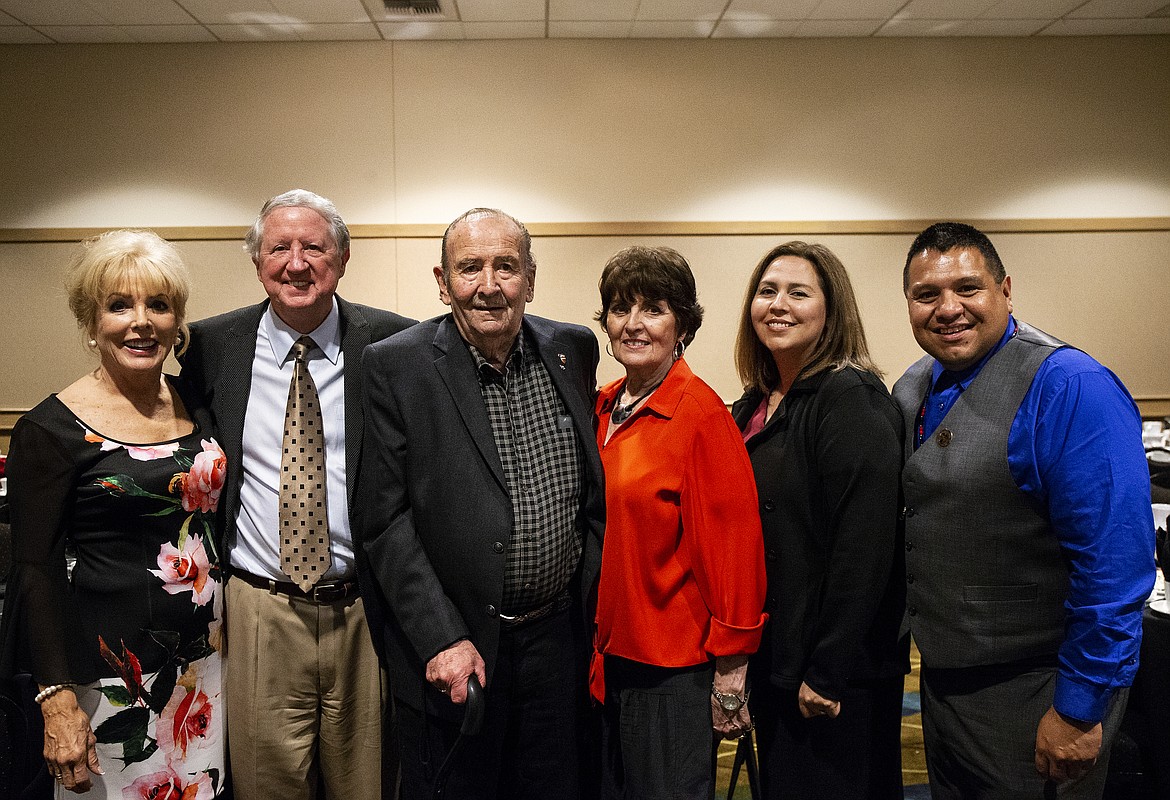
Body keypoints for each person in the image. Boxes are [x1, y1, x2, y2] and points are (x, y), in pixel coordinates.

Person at [892, 221, 1154, 800]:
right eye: (926, 294)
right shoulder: (912, 387)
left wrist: (1080, 708)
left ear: (1006, 289)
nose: (948, 309)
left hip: (1042, 689)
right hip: (944, 689)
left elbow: (1115, 567)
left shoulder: (1071, 386)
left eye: (968, 288)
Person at [355, 208, 605, 800]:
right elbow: (384, 522)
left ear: (531, 278)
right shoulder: (397, 365)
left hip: (558, 641)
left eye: (506, 267)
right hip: (459, 651)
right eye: (470, 268)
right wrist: (441, 638)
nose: (489, 285)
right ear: (443, 283)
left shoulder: (572, 349)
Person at [179, 189, 414, 800]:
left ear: (341, 258)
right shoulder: (210, 347)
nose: (297, 262)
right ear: (258, 262)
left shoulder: (396, 346)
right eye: (279, 247)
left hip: (364, 611)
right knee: (264, 787)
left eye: (314, 246)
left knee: (369, 785)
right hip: (259, 610)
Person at [0, 230, 227, 797]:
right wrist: (57, 700)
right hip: (108, 681)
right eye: (119, 306)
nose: (141, 322)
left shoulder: (195, 403)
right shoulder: (49, 430)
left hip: (208, 669)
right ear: (90, 321)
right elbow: (35, 570)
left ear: (178, 320)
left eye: (159, 304)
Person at [730, 241, 908, 799]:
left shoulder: (849, 398)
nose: (778, 304)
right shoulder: (755, 404)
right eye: (767, 291)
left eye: (798, 293)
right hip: (779, 660)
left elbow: (866, 545)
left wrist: (828, 670)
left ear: (832, 310)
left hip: (833, 676)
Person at [590, 245, 767, 799]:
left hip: (672, 669)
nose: (634, 324)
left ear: (682, 323)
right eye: (620, 308)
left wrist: (732, 675)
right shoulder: (601, 407)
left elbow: (734, 551)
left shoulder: (701, 417)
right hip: (605, 660)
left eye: (654, 309)